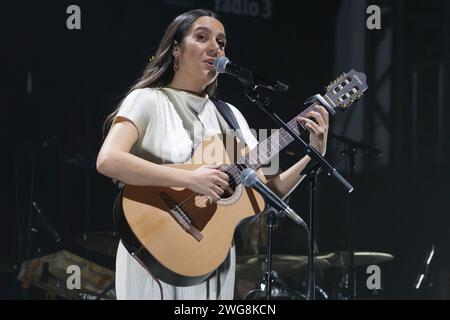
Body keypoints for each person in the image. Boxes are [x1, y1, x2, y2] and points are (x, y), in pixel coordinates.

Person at [96, 9, 329, 300]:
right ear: (176, 50)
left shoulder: (231, 116)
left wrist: (314, 155)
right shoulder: (147, 99)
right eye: (202, 37)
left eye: (221, 42)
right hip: (156, 248)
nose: (215, 47)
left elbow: (269, 193)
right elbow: (109, 160)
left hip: (211, 258)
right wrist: (190, 178)